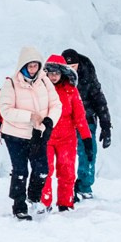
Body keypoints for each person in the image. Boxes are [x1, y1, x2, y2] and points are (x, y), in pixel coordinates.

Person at [0, 46, 62, 220]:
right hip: (15, 135)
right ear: (23, 65)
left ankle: (33, 198)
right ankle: (19, 206)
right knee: (20, 171)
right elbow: (6, 110)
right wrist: (30, 116)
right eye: (30, 65)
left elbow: (56, 104)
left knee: (42, 169)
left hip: (38, 133)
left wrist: (49, 121)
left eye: (36, 65)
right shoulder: (11, 84)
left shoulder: (44, 81)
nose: (33, 69)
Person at [41, 56, 93, 211]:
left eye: (57, 73)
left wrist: (87, 139)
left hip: (67, 139)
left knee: (67, 172)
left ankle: (65, 203)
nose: (54, 76)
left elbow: (80, 117)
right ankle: (44, 203)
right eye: (51, 73)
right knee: (45, 171)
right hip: (45, 137)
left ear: (63, 73)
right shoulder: (40, 90)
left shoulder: (71, 90)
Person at [61, 47, 113, 198]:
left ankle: (84, 186)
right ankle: (66, 187)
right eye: (68, 67)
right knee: (65, 156)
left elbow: (99, 99)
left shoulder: (87, 73)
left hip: (87, 119)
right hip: (64, 121)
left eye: (74, 66)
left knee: (89, 153)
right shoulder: (56, 76)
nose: (71, 70)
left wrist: (106, 125)